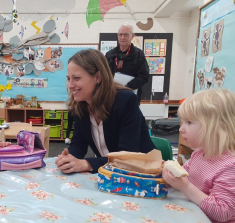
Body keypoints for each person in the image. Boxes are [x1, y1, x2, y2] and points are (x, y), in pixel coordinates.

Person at [55, 49, 155, 173]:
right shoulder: (82, 104)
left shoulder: (125, 101)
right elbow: (78, 144)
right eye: (69, 79)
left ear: (98, 77)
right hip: (108, 173)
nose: (70, 85)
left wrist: (86, 164)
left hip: (141, 173)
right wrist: (69, 158)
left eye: (76, 78)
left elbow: (127, 157)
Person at [163, 89, 235, 223]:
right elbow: (183, 176)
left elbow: (222, 212)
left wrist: (185, 187)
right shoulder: (199, 153)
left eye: (189, 122)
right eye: (182, 122)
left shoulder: (230, 166)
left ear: (218, 127)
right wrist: (170, 175)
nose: (181, 129)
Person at [105, 23, 149, 103]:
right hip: (111, 95)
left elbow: (144, 76)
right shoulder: (110, 54)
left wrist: (127, 87)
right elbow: (104, 73)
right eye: (120, 34)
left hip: (131, 94)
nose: (122, 37)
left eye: (126, 35)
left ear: (132, 36)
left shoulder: (138, 54)